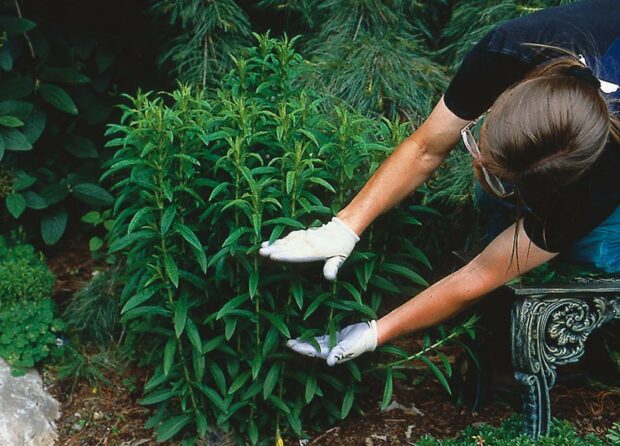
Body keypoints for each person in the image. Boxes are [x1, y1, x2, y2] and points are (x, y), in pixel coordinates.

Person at [259, 0, 620, 367]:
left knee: (598, 251)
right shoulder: (511, 49)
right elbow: (426, 147)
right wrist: (343, 227)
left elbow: (482, 272)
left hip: (601, 183)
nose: (475, 161)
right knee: (496, 209)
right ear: (505, 95)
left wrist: (375, 332)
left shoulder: (602, 178)